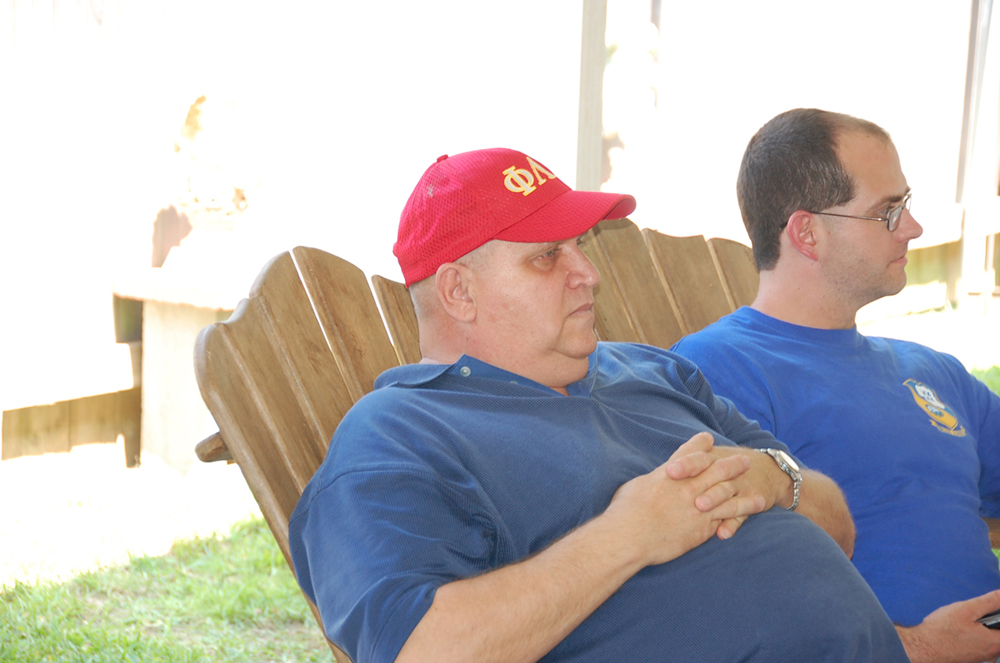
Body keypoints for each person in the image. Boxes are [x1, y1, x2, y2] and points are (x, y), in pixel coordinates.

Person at [288, 147, 908, 663]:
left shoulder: (655, 371)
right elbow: (417, 650)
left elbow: (838, 528)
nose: (588, 273)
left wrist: (773, 479)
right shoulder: (397, 435)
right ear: (459, 291)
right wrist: (629, 535)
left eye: (579, 246)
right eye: (547, 256)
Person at [672, 108, 1000, 663]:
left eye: (906, 204)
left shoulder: (931, 369)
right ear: (807, 232)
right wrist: (918, 648)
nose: (914, 228)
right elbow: (724, 588)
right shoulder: (716, 369)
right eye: (888, 212)